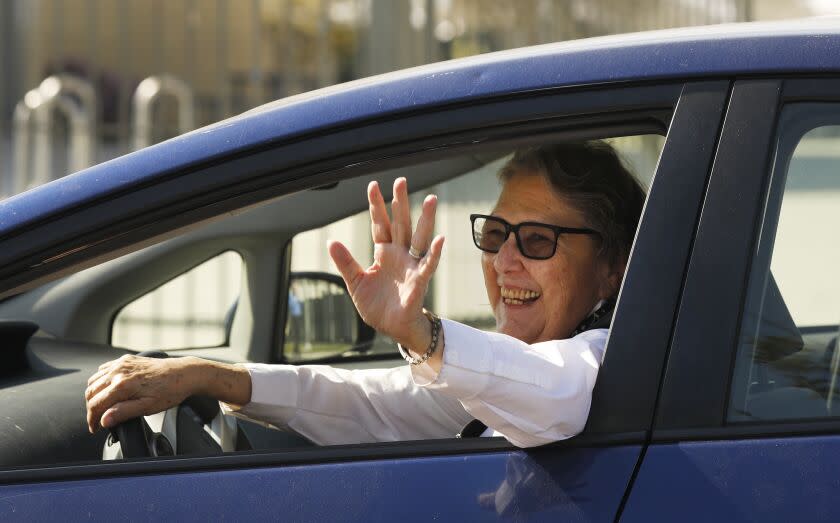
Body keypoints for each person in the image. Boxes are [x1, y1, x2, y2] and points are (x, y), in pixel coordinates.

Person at [85, 141, 645, 448]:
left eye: (538, 240)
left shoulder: (603, 361)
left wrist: (421, 334)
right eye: (496, 235)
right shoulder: (497, 374)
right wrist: (210, 377)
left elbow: (558, 392)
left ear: (612, 270)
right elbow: (372, 405)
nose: (503, 261)